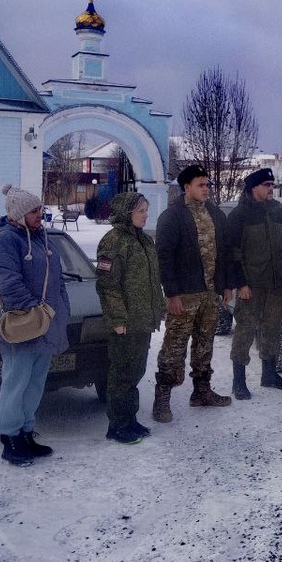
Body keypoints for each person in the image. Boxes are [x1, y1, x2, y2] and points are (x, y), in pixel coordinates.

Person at [0, 184, 71, 466]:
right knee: (16, 382)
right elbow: (9, 283)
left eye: (40, 209)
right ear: (18, 214)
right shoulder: (5, 240)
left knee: (35, 383)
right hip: (24, 324)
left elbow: (57, 280)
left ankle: (25, 432)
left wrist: (61, 310)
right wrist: (36, 311)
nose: (40, 214)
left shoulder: (42, 239)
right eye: (34, 211)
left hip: (46, 323)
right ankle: (10, 438)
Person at [153, 164, 233, 423]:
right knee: (174, 346)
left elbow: (225, 251)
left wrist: (226, 285)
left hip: (210, 293)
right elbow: (164, 258)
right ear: (186, 187)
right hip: (184, 295)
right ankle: (162, 397)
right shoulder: (172, 216)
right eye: (200, 184)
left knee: (204, 344)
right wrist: (172, 293)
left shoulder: (215, 213)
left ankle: (201, 392)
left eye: (207, 184)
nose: (206, 188)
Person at [95, 192, 164, 444]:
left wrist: (159, 306)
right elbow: (107, 286)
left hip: (142, 319)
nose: (146, 215)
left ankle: (130, 419)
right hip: (125, 321)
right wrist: (118, 319)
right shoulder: (114, 242)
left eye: (146, 210)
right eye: (140, 211)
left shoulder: (144, 240)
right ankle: (118, 425)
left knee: (135, 371)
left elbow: (150, 280)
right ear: (126, 212)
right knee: (122, 374)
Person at [225, 167, 282, 400]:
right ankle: (239, 381)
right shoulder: (239, 215)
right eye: (266, 185)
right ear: (253, 188)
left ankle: (269, 375)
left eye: (272, 185)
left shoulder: (276, 211)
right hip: (251, 286)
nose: (271, 189)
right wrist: (241, 284)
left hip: (275, 284)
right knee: (245, 330)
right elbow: (233, 253)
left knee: (272, 328)